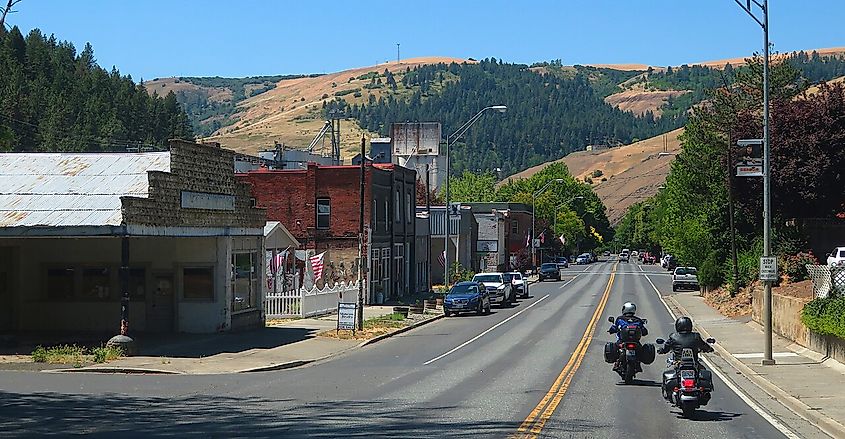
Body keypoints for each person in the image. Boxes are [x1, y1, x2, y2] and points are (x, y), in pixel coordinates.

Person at [658, 316, 714, 399]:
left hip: (679, 363)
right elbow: (704, 346)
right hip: (694, 364)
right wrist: (709, 349)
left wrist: (661, 350)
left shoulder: (673, 337)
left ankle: (670, 394)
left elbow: (666, 348)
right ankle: (702, 393)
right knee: (703, 371)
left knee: (671, 374)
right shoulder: (696, 336)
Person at [608, 302, 648, 373]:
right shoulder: (638, 320)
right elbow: (644, 331)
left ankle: (617, 363)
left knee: (615, 348)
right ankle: (638, 364)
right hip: (635, 342)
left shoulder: (620, 319)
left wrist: (610, 330)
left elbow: (614, 327)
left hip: (622, 341)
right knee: (640, 350)